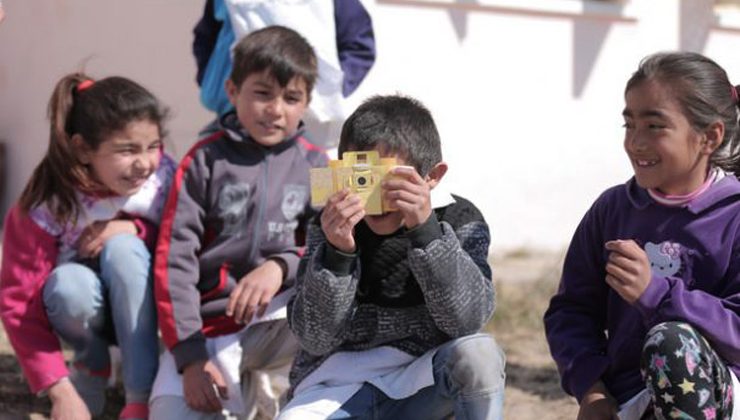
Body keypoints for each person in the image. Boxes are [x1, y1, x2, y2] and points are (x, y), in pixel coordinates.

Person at [280, 94, 506, 420]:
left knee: (480, 355)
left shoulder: (458, 219)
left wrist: (426, 233)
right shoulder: (329, 225)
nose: (378, 196)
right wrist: (338, 254)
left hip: (421, 381)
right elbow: (315, 337)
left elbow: (467, 321)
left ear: (432, 176)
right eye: (363, 177)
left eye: (389, 179)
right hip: (336, 386)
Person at [544, 51, 740, 420]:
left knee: (671, 343)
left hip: (722, 398)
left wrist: (655, 293)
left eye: (655, 126)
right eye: (629, 125)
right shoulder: (613, 209)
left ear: (709, 136)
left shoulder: (734, 215)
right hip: (629, 400)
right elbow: (571, 313)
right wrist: (591, 389)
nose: (635, 142)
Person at [151, 25, 327, 419]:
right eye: (262, 93)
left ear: (307, 102)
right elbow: (173, 263)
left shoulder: (318, 164)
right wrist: (191, 360)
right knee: (170, 413)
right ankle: (242, 385)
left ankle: (282, 388)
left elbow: (331, 246)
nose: (276, 109)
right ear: (232, 91)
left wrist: (280, 266)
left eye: (291, 97)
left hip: (283, 326)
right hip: (209, 332)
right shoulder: (202, 161)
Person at [0, 73, 175, 420]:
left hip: (145, 311)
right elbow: (19, 303)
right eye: (126, 150)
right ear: (82, 149)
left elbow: (187, 245)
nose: (144, 163)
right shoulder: (47, 204)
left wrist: (135, 228)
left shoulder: (162, 181)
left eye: (153, 146)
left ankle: (140, 394)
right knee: (68, 286)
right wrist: (58, 390)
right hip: (84, 317)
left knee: (125, 249)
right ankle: (91, 369)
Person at [192, 0, 376, 148]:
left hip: (310, 120)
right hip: (235, 116)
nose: (275, 108)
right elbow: (206, 36)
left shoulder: (312, 158)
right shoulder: (208, 156)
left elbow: (359, 46)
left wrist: (323, 91)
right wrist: (212, 83)